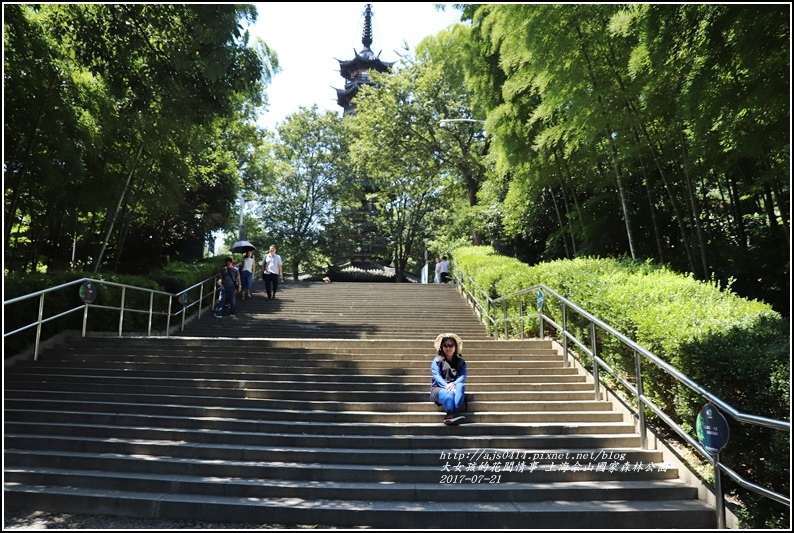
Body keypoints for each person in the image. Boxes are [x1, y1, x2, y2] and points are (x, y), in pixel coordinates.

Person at [430, 333, 467, 425]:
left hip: (454, 387)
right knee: (450, 393)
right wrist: (447, 386)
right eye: (445, 346)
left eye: (451, 345)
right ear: (441, 347)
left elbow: (462, 376)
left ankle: (451, 414)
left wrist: (453, 384)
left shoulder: (461, 362)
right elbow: (436, 376)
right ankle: (451, 414)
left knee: (460, 386)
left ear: (455, 347)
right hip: (439, 389)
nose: (448, 348)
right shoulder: (437, 360)